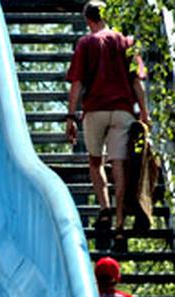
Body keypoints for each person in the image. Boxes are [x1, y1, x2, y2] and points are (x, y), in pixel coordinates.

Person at [65, 1, 149, 253]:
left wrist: (70, 116)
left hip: (95, 111)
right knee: (119, 165)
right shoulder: (127, 42)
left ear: (88, 20)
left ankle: (104, 209)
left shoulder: (86, 43)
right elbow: (137, 81)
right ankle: (121, 225)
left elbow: (77, 83)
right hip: (123, 111)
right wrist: (143, 113)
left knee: (95, 162)